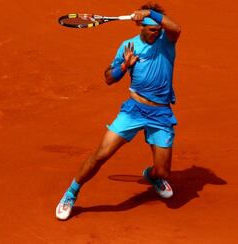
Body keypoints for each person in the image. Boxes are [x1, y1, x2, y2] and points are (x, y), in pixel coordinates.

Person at [56, 2, 181, 221]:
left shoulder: (166, 42)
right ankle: (71, 193)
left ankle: (152, 177)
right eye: (152, 29)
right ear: (140, 27)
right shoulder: (127, 46)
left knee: (162, 172)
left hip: (160, 114)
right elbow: (108, 78)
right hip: (133, 110)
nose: (156, 33)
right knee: (102, 154)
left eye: (158, 29)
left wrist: (150, 13)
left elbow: (176, 28)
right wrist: (123, 67)